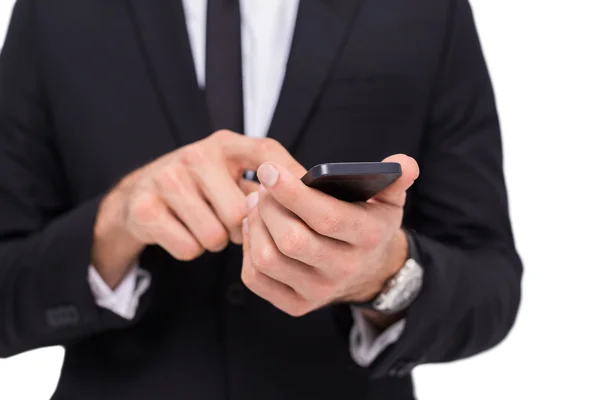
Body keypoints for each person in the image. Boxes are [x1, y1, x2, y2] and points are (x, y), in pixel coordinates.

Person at [0, 0, 522, 399]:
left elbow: (490, 278)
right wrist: (114, 224)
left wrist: (384, 275)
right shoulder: (53, 11)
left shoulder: (429, 11)